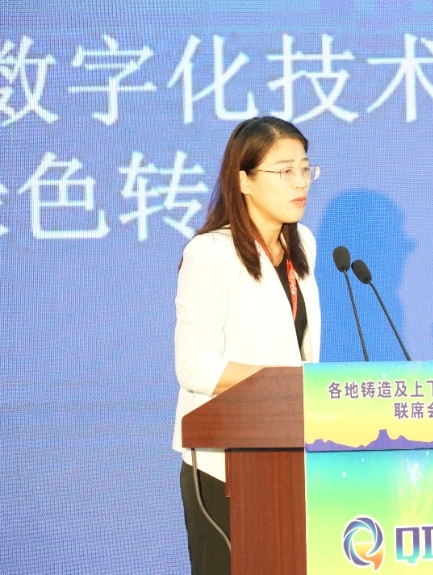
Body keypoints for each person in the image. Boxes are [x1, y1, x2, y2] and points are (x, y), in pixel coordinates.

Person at [172, 116, 321, 575]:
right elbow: (195, 367)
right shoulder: (210, 253)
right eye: (284, 171)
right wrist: (286, 386)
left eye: (305, 168)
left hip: (289, 459)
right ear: (244, 181)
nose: (300, 182)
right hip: (225, 467)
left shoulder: (303, 244)